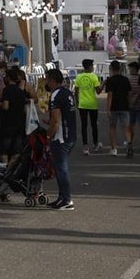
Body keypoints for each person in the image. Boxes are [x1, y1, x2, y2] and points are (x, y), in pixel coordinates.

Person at [45, 68, 77, 210]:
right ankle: (62, 197)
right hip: (71, 135)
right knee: (59, 168)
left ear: (52, 80)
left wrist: (48, 135)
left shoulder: (55, 95)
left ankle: (67, 199)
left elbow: (56, 120)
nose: (46, 82)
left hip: (61, 138)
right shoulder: (68, 93)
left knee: (61, 169)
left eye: (47, 80)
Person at [0, 67, 29, 165]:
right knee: (17, 150)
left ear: (9, 78)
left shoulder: (7, 90)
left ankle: (5, 169)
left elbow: (6, 106)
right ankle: (12, 169)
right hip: (19, 123)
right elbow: (24, 108)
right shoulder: (20, 91)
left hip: (8, 123)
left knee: (4, 149)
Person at [102, 60, 132, 156]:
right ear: (120, 68)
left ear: (111, 68)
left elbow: (110, 95)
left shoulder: (110, 80)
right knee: (126, 128)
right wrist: (129, 104)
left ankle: (114, 149)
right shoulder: (125, 79)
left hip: (114, 107)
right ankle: (129, 146)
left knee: (112, 127)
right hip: (125, 106)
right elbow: (129, 94)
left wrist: (108, 108)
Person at [73, 58, 102, 155]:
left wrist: (77, 103)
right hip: (92, 104)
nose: (93, 67)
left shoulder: (79, 77)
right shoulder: (94, 77)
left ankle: (85, 147)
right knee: (94, 125)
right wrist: (104, 84)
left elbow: (76, 92)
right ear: (89, 67)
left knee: (84, 125)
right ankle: (95, 144)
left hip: (82, 104)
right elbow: (98, 91)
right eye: (92, 65)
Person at [126, 61, 140, 158]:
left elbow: (127, 92)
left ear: (134, 69)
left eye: (130, 68)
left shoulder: (128, 79)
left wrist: (132, 100)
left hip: (131, 105)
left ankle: (130, 142)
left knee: (131, 125)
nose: (129, 70)